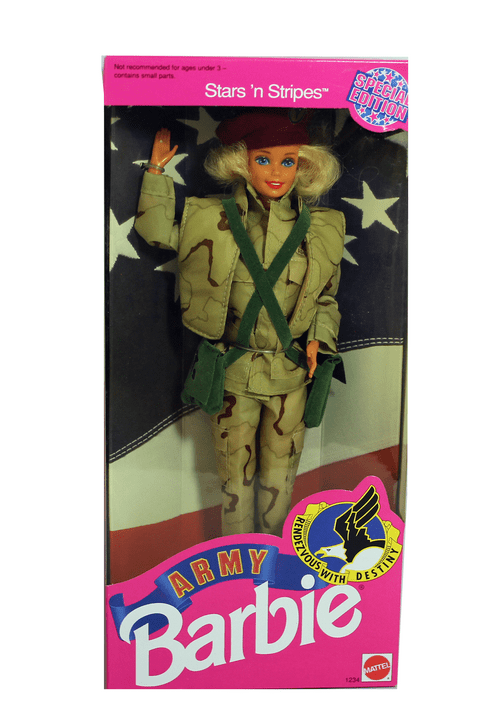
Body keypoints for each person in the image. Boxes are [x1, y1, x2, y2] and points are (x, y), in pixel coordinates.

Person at [135, 111, 344, 536]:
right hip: (233, 373)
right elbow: (155, 231)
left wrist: (320, 339)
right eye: (263, 159)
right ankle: (237, 559)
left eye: (288, 161)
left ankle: (276, 556)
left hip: (289, 375)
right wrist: (155, 173)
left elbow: (326, 296)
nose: (276, 172)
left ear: (304, 165)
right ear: (241, 162)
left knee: (280, 482)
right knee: (234, 481)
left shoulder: (323, 228)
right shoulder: (210, 218)